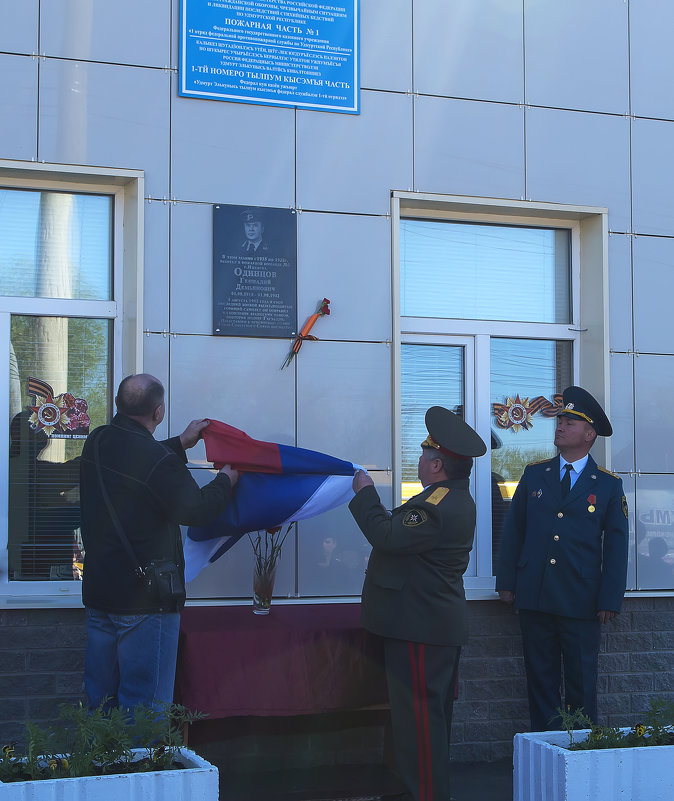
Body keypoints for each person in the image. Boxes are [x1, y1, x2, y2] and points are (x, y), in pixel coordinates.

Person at [349, 406, 486, 801]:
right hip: (423, 625)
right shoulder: (442, 499)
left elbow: (387, 535)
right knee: (421, 724)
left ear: (438, 464)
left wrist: (365, 493)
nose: (419, 462)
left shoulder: (437, 505)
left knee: (420, 726)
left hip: (420, 628)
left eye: (424, 456)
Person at [79, 374, 239, 711]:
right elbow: (196, 510)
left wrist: (181, 442)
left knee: (99, 704)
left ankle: (97, 764)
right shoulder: (158, 462)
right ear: (159, 411)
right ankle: (141, 766)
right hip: (145, 603)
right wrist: (226, 479)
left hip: (100, 596)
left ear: (118, 405)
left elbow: (137, 465)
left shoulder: (96, 441)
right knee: (143, 709)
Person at [496, 385, 629, 731]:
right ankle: (546, 748)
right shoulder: (534, 474)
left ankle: (582, 751)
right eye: (561, 421)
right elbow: (514, 533)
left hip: (581, 600)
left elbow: (616, 545)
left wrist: (610, 598)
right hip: (535, 595)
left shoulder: (607, 485)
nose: (560, 426)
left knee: (581, 681)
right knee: (540, 680)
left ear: (589, 434)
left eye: (570, 422)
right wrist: (507, 582)